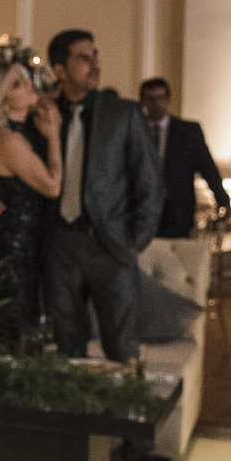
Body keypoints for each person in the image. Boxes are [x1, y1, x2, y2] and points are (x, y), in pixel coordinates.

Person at [44, 29, 164, 362]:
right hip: (60, 246)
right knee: (67, 348)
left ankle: (125, 414)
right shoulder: (44, 113)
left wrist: (132, 242)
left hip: (109, 246)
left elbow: (151, 185)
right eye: (83, 57)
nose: (94, 64)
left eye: (96, 55)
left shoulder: (122, 113)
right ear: (60, 70)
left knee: (122, 350)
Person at [0, 60, 62, 349]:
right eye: (16, 83)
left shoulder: (15, 133)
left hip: (15, 244)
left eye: (24, 77)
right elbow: (52, 185)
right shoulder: (9, 140)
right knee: (11, 335)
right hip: (12, 251)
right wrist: (54, 134)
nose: (28, 84)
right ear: (1, 98)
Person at [139, 77, 231, 238]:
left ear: (167, 99)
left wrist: (222, 199)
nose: (156, 104)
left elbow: (207, 168)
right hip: (140, 211)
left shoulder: (188, 132)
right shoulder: (134, 131)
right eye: (151, 99)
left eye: (160, 98)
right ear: (143, 101)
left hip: (177, 212)